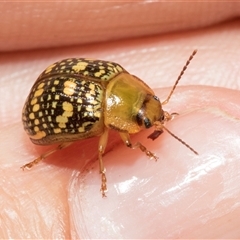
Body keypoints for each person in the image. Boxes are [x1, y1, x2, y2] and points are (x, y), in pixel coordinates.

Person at [0, 2, 240, 239]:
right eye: (147, 120)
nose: (157, 117)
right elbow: (112, 148)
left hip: (62, 77)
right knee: (73, 146)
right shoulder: (97, 111)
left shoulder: (113, 71)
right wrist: (126, 157)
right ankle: (41, 159)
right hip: (42, 111)